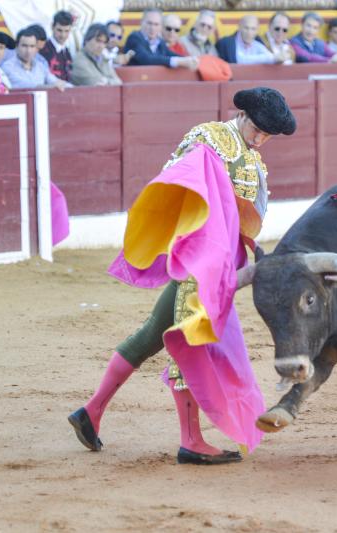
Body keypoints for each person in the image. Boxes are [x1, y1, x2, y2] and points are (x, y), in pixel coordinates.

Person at [68, 87, 296, 465]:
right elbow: (178, 188)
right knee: (191, 339)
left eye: (267, 135)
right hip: (196, 262)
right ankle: (191, 441)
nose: (260, 139)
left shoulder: (252, 158)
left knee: (151, 335)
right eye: (257, 130)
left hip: (218, 266)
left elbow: (242, 218)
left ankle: (90, 413)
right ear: (241, 116)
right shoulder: (210, 138)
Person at [124, 8, 198, 70]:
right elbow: (147, 59)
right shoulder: (134, 38)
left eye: (156, 24)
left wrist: (190, 59)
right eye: (149, 23)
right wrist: (179, 61)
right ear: (141, 23)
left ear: (161, 26)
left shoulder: (159, 42)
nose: (152, 28)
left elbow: (171, 55)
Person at [2, 27, 69, 91]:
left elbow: (55, 81)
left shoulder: (40, 66)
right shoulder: (7, 67)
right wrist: (50, 87)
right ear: (16, 46)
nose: (28, 51)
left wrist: (76, 89)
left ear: (36, 48)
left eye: (32, 46)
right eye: (24, 46)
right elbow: (24, 86)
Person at [40, 10, 75, 81]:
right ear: (52, 27)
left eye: (66, 31)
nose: (63, 35)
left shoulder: (67, 52)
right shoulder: (42, 50)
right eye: (59, 30)